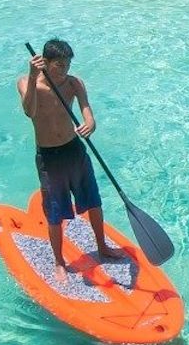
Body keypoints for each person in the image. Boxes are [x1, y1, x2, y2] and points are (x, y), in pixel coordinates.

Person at [17, 39, 120, 274]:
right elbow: (29, 111)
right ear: (45, 62)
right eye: (59, 65)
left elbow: (87, 110)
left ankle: (102, 246)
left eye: (68, 64)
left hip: (74, 150)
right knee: (55, 212)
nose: (65, 69)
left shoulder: (74, 84)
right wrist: (33, 77)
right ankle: (59, 262)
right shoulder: (26, 83)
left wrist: (90, 124)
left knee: (93, 200)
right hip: (49, 157)